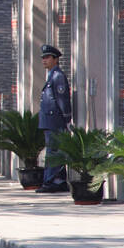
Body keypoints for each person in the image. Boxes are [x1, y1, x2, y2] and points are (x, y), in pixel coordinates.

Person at [36, 44, 72, 193]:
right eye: (43, 58)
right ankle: (58, 180)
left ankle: (52, 182)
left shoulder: (58, 76)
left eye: (47, 57)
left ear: (55, 59)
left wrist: (66, 118)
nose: (44, 60)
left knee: (53, 152)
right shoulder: (52, 75)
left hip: (56, 121)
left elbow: (62, 100)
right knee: (53, 151)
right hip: (49, 121)